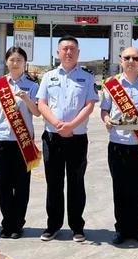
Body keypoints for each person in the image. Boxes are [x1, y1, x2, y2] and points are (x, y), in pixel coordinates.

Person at [37, 36, 99, 242]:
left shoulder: (87, 78)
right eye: (64, 49)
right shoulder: (48, 77)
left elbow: (90, 104)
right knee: (53, 183)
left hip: (77, 137)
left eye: (72, 49)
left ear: (78, 53)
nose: (68, 52)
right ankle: (52, 225)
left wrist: (71, 126)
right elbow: (42, 104)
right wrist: (57, 125)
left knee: (76, 183)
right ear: (58, 52)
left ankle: (77, 227)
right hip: (52, 137)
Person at [101, 47, 138, 245]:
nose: (131, 61)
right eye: (127, 58)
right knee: (120, 190)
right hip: (118, 144)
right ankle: (121, 230)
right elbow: (104, 111)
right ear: (121, 61)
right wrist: (107, 119)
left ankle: (137, 230)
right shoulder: (111, 86)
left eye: (135, 58)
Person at [0, 47, 41, 239]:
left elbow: (37, 113)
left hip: (23, 141)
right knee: (3, 184)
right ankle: (7, 223)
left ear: (24, 63)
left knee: (21, 185)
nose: (15, 63)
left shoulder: (32, 85)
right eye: (12, 59)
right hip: (2, 139)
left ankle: (17, 224)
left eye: (19, 60)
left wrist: (27, 99)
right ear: (7, 62)